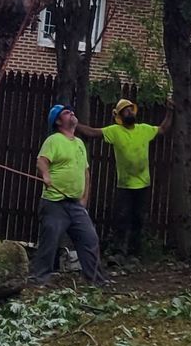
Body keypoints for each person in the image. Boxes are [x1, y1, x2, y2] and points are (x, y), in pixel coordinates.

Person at [27, 102, 105, 286]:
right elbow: (42, 161)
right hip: (55, 202)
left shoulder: (79, 143)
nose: (71, 113)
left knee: (90, 238)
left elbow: (85, 172)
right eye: (65, 113)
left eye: (70, 111)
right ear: (58, 122)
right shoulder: (53, 140)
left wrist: (84, 199)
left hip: (75, 204)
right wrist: (45, 175)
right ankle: (40, 279)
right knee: (50, 239)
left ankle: (96, 281)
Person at [95, 96, 170, 259]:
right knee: (121, 218)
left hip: (143, 184)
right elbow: (93, 132)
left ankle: (134, 253)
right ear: (120, 116)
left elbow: (163, 129)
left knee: (139, 219)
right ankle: (118, 252)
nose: (128, 112)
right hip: (125, 185)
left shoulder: (144, 129)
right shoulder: (115, 131)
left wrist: (170, 112)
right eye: (125, 111)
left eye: (130, 109)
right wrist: (73, 125)